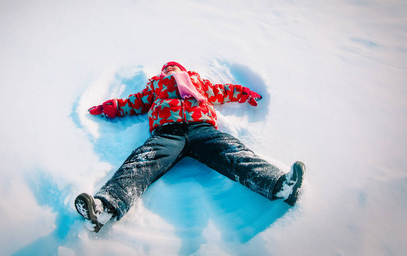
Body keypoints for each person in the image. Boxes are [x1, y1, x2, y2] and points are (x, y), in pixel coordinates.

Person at [75, 61, 306, 232]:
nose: (169, 70)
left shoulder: (197, 82)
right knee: (142, 161)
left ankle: (279, 185)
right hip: (167, 133)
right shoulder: (155, 86)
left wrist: (243, 93)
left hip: (202, 129)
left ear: (183, 69)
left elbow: (221, 91)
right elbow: (135, 102)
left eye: (173, 68)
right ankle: (104, 208)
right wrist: (111, 107)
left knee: (232, 151)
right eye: (166, 69)